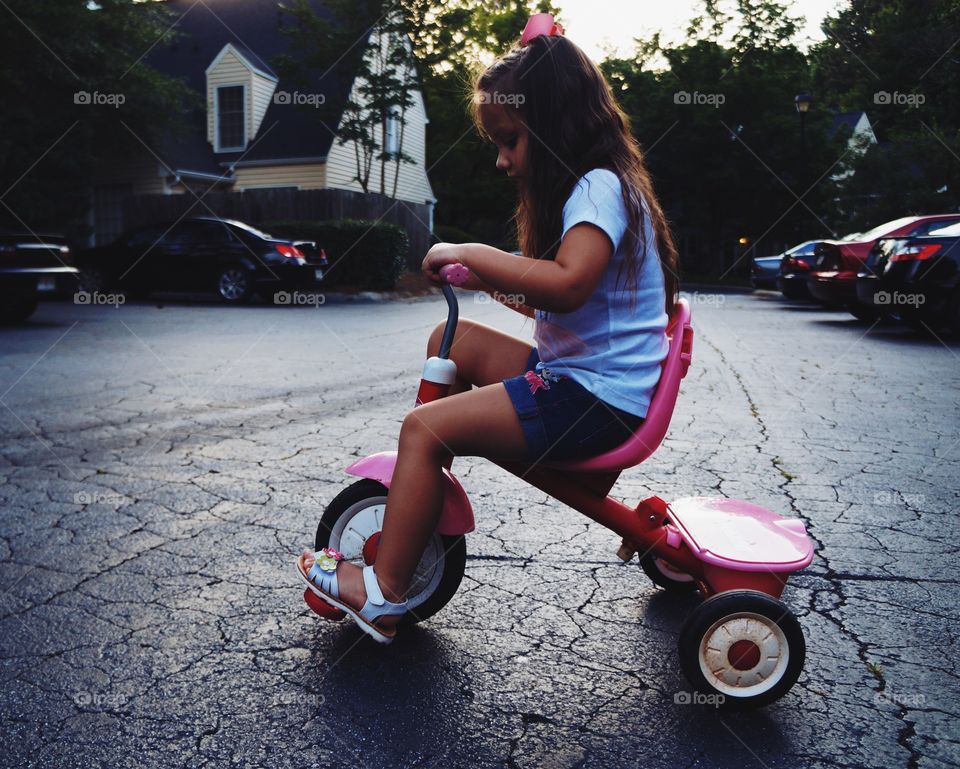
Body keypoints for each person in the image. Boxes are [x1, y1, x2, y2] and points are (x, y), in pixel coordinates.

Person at [296, 13, 680, 644]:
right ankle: (428, 479)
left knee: (423, 428)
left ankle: (388, 590)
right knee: (457, 341)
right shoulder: (600, 188)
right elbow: (564, 304)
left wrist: (473, 251)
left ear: (554, 129)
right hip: (587, 387)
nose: (502, 160)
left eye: (510, 141)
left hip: (594, 402)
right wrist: (492, 285)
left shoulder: (598, 189)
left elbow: (569, 282)